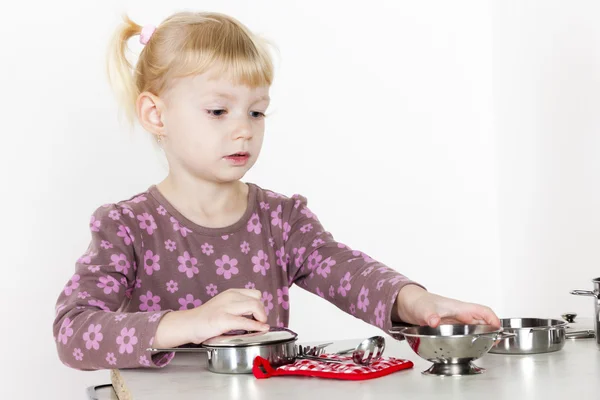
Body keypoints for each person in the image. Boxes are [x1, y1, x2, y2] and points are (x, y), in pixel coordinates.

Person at [52, 11, 500, 371]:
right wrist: (189, 323)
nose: (243, 130)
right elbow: (74, 333)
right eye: (218, 110)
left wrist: (417, 302)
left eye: (256, 113)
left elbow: (347, 271)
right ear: (156, 114)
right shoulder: (127, 226)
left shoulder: (281, 220)